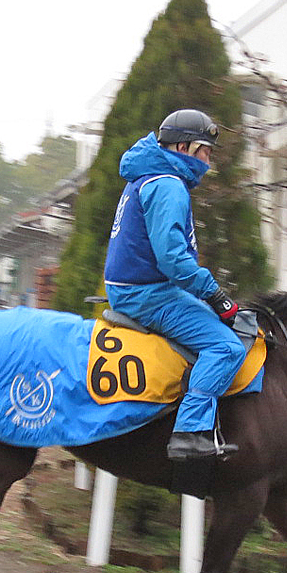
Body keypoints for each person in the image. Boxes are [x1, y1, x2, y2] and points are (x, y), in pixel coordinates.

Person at [103, 109, 246, 461]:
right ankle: (190, 433)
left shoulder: (148, 175)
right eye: (205, 152)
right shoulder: (168, 185)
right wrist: (216, 294)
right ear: (183, 147)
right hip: (148, 295)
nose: (209, 164)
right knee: (227, 347)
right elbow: (173, 260)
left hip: (138, 288)